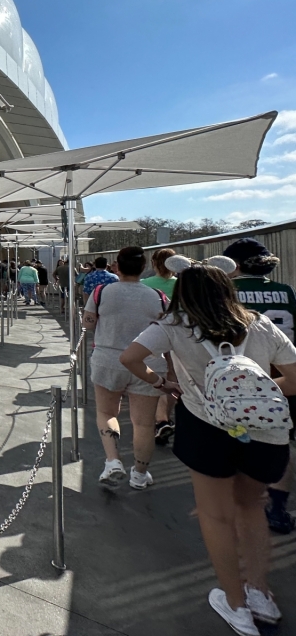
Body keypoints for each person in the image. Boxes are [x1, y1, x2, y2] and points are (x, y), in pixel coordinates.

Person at [120, 257, 296, 634]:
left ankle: (236, 605)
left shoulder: (174, 326)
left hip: (207, 427)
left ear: (182, 292)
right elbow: (294, 379)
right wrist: (255, 394)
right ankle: (260, 593)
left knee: (215, 516)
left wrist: (161, 383)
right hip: (266, 433)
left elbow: (130, 358)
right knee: (251, 508)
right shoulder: (259, 324)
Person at [223, 238, 296, 535]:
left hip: (239, 372)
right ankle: (277, 506)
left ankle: (239, 499)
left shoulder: (229, 292)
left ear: (236, 265)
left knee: (236, 437)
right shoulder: (285, 291)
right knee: (280, 439)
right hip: (282, 372)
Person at [83, 247, 169, 490]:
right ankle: (140, 474)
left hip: (108, 360)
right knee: (143, 423)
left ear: (116, 267)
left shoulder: (101, 292)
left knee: (107, 413)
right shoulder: (158, 296)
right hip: (148, 363)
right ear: (143, 269)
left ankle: (113, 461)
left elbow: (88, 324)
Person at [141, 248, 179, 446]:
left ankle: (160, 419)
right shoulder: (181, 285)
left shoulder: (145, 285)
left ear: (154, 263)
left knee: (155, 376)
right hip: (178, 335)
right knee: (173, 375)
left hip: (152, 335)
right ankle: (165, 416)